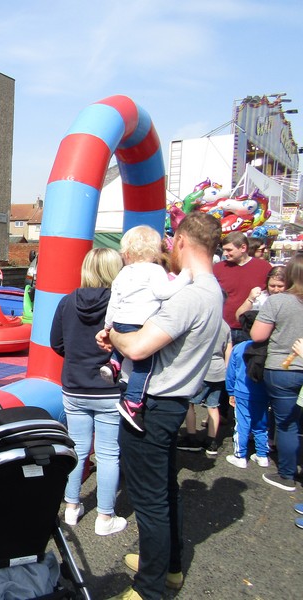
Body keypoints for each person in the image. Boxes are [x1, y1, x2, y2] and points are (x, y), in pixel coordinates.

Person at [97, 212, 224, 600]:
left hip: (152, 405)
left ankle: (149, 588)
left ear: (182, 241)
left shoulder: (189, 295)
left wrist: (113, 336)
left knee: (149, 501)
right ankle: (167, 566)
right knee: (165, 490)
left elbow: (137, 346)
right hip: (173, 401)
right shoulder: (211, 290)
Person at [49, 248, 127, 536]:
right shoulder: (120, 306)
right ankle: (105, 517)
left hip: (74, 386)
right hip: (108, 388)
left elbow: (56, 343)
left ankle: (71, 507)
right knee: (108, 453)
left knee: (78, 449)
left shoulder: (66, 302)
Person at [100, 225, 191, 432]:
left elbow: (114, 302)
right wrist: (185, 277)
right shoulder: (155, 270)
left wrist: (107, 327)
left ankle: (114, 362)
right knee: (143, 366)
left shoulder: (123, 272)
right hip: (141, 323)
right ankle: (132, 403)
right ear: (154, 250)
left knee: (122, 341)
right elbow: (163, 292)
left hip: (121, 321)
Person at [249, 253, 303, 492]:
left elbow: (257, 335)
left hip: (284, 367)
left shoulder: (278, 301)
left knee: (286, 424)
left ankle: (287, 474)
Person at [177, 318, 231, 455]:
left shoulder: (202, 322)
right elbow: (228, 351)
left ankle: (191, 438)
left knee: (189, 403)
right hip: (219, 370)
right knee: (213, 406)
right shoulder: (225, 325)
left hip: (202, 367)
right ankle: (211, 441)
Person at [224, 310, 270, 469]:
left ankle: (240, 455)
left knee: (242, 423)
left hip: (242, 391)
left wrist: (230, 391)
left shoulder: (240, 348)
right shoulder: (269, 348)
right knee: (261, 422)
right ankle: (262, 454)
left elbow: (231, 372)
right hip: (263, 391)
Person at [214, 231, 272, 344]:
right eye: (224, 249)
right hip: (224, 326)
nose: (225, 253)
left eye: (229, 250)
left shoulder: (264, 267)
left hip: (251, 328)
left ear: (243, 247)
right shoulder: (218, 268)